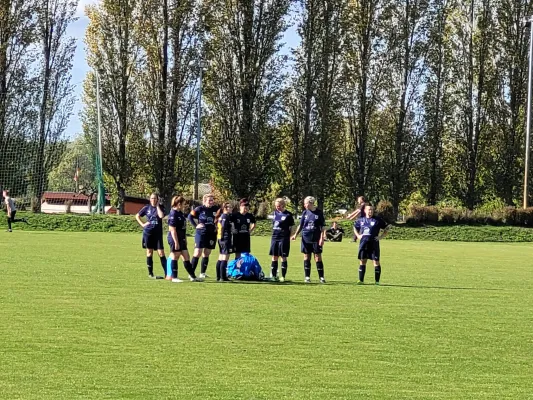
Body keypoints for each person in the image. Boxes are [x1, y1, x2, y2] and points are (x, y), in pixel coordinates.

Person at [291, 196, 327, 284]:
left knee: (317, 257)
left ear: (311, 203)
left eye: (305, 203)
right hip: (306, 237)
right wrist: (295, 235)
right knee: (307, 256)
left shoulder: (319, 213)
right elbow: (301, 225)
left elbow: (323, 226)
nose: (304, 205)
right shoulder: (305, 213)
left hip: (316, 238)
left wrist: (322, 238)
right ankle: (307, 277)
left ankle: (321, 277)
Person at [354, 204, 390, 285]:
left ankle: (377, 281)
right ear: (365, 211)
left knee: (376, 261)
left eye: (371, 210)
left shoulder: (377, 220)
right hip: (363, 243)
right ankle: (361, 280)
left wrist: (381, 237)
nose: (370, 211)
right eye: (369, 209)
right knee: (363, 261)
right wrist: (358, 235)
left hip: (374, 243)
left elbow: (387, 227)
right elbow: (355, 227)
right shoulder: (361, 220)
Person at [167, 196, 201, 282]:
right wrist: (176, 242)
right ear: (179, 204)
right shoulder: (173, 214)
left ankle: (193, 276)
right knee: (176, 256)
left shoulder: (180, 213)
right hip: (175, 238)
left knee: (186, 256)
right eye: (183, 204)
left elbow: (183, 228)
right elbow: (172, 230)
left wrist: (184, 238)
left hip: (181, 238)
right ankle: (174, 277)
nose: (184, 206)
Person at [136, 193, 167, 279]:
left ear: (157, 199)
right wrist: (143, 224)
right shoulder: (146, 208)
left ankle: (167, 274)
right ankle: (151, 274)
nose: (153, 200)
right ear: (150, 199)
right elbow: (137, 216)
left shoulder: (161, 207)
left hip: (157, 234)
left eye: (155, 198)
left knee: (161, 253)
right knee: (149, 252)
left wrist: (157, 206)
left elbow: (161, 216)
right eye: (152, 198)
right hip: (148, 233)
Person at [188, 193, 219, 279]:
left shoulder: (216, 209)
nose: (211, 202)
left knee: (207, 253)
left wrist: (218, 226)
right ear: (204, 201)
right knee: (198, 252)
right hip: (201, 233)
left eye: (212, 200)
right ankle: (191, 273)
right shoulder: (199, 209)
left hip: (212, 234)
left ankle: (202, 273)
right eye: (209, 200)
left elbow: (221, 217)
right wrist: (195, 225)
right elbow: (190, 216)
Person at [269, 198, 295, 282]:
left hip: (284, 238)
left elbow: (292, 226)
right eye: (276, 206)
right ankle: (273, 276)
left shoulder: (288, 215)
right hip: (274, 237)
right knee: (274, 256)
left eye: (279, 206)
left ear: (283, 205)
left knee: (283, 257)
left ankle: (283, 276)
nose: (277, 207)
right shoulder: (274, 213)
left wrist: (291, 235)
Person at [215, 202, 235, 282]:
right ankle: (223, 277)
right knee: (225, 257)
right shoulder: (225, 216)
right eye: (229, 207)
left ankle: (219, 276)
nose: (231, 209)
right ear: (225, 208)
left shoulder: (223, 216)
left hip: (221, 238)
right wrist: (223, 237)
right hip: (225, 239)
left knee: (221, 257)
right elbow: (222, 227)